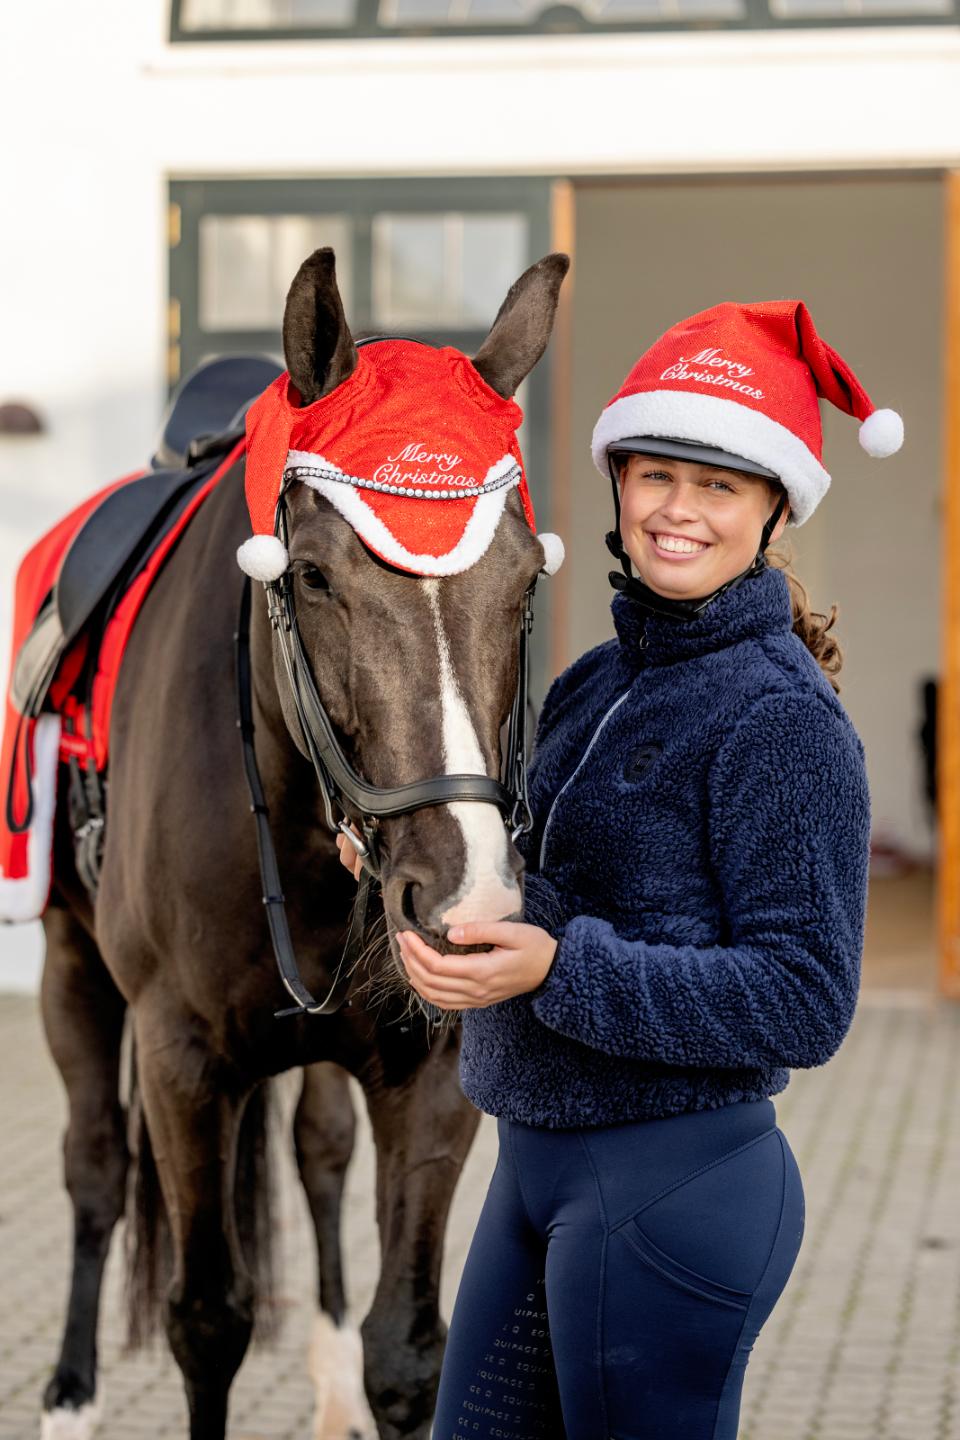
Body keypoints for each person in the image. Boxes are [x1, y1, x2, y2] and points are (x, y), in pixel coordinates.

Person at [337, 300, 900, 1440]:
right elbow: (568, 898)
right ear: (618, 484)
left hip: (673, 1188)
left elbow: (804, 997)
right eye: (656, 476)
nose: (678, 510)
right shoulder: (598, 680)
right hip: (534, 1172)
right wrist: (426, 874)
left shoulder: (781, 719)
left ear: (775, 508)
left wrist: (552, 968)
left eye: (720, 486)